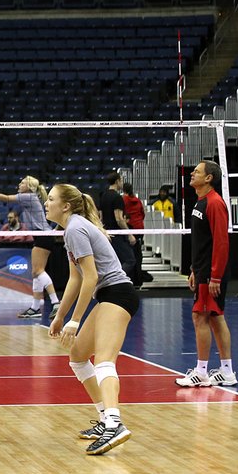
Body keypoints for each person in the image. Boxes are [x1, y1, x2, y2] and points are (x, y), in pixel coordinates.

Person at [46, 183, 139, 455]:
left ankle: (115, 422)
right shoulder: (71, 229)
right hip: (108, 295)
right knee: (77, 356)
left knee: (105, 360)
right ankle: (104, 418)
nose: (47, 203)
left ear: (66, 205)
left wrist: (75, 321)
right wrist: (60, 316)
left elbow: (92, 277)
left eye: (51, 199)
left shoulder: (75, 227)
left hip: (118, 294)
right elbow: (75, 278)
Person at [175, 161, 236, 388]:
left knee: (200, 317)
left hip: (212, 273)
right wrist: (193, 269)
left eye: (197, 171)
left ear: (209, 178)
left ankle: (201, 372)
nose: (192, 173)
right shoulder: (200, 202)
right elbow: (201, 242)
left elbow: (221, 242)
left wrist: (215, 276)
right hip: (202, 270)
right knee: (215, 317)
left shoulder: (215, 203)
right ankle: (227, 371)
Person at [0, 176, 62, 319]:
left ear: (29, 186)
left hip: (43, 236)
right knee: (35, 273)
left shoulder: (28, 196)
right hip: (40, 236)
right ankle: (35, 308)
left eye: (22, 183)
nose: (19, 184)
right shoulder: (31, 197)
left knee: (38, 271)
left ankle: (55, 302)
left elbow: (6, 198)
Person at [99, 172, 138, 284]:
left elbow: (100, 218)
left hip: (107, 234)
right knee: (130, 260)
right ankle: (116, 281)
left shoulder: (103, 196)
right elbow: (119, 219)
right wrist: (130, 235)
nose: (122, 182)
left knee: (115, 261)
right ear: (117, 181)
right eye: (121, 180)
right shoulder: (117, 197)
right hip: (117, 235)